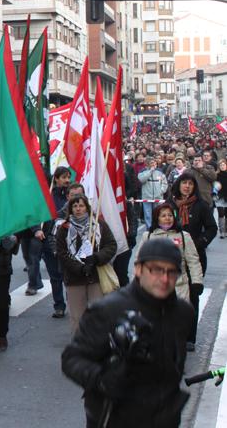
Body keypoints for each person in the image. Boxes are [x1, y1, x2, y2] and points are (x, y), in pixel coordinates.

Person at [61, 239, 195, 428]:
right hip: (116, 418)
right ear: (139, 269)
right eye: (156, 270)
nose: (164, 279)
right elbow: (71, 359)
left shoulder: (184, 313)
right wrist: (102, 380)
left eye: (171, 272)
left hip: (165, 417)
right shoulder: (109, 309)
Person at [56, 195, 118, 332]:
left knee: (99, 315)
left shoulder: (99, 224)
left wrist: (96, 258)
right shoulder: (64, 228)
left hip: (96, 277)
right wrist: (79, 268)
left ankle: (99, 347)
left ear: (87, 208)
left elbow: (111, 245)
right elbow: (61, 252)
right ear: (70, 209)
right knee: (78, 317)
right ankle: (80, 348)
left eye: (81, 206)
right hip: (74, 279)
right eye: (75, 206)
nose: (78, 209)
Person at [169, 173, 216, 348]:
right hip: (172, 258)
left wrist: (199, 243)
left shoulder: (200, 206)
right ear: (178, 185)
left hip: (194, 258)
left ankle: (190, 337)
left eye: (190, 183)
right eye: (184, 183)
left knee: (192, 297)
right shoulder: (170, 205)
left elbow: (211, 228)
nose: (187, 186)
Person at [33, 167, 69, 318]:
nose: (67, 180)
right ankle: (59, 305)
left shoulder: (71, 195)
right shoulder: (46, 195)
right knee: (55, 275)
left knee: (69, 275)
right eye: (64, 177)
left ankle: (74, 302)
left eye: (68, 177)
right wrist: (36, 229)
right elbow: (35, 215)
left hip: (68, 241)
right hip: (49, 240)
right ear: (56, 179)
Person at [137, 159, 167, 229]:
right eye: (151, 163)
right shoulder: (143, 171)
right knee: (148, 215)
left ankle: (158, 227)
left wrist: (161, 191)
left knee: (158, 213)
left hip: (158, 197)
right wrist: (150, 171)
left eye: (154, 163)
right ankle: (149, 229)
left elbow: (164, 183)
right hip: (147, 197)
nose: (153, 164)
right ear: (147, 164)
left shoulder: (160, 172)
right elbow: (142, 180)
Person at [216, 158, 227, 238]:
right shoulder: (216, 175)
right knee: (221, 213)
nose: (222, 166)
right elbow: (214, 186)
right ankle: (222, 231)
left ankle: (226, 230)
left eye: (223, 165)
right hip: (219, 197)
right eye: (221, 165)